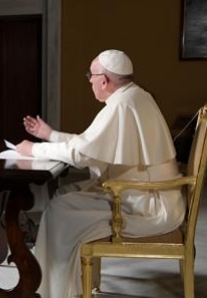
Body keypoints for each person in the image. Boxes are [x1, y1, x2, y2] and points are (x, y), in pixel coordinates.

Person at [15, 49, 184, 298]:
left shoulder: (120, 105)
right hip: (146, 197)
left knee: (59, 209)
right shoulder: (136, 96)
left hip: (145, 207)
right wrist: (50, 135)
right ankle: (65, 286)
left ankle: (53, 292)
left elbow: (81, 155)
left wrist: (34, 149)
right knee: (66, 193)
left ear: (103, 80)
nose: (90, 81)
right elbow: (90, 144)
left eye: (91, 76)